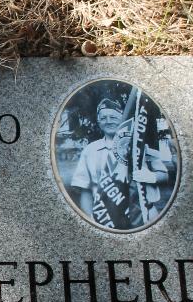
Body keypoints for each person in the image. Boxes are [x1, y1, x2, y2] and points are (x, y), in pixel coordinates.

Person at [70, 93, 170, 229]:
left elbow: (164, 175)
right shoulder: (90, 150)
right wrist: (90, 220)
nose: (108, 121)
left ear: (121, 120)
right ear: (98, 122)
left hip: (145, 215)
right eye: (103, 118)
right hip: (107, 218)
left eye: (113, 117)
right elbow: (85, 189)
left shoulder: (140, 145)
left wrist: (151, 177)